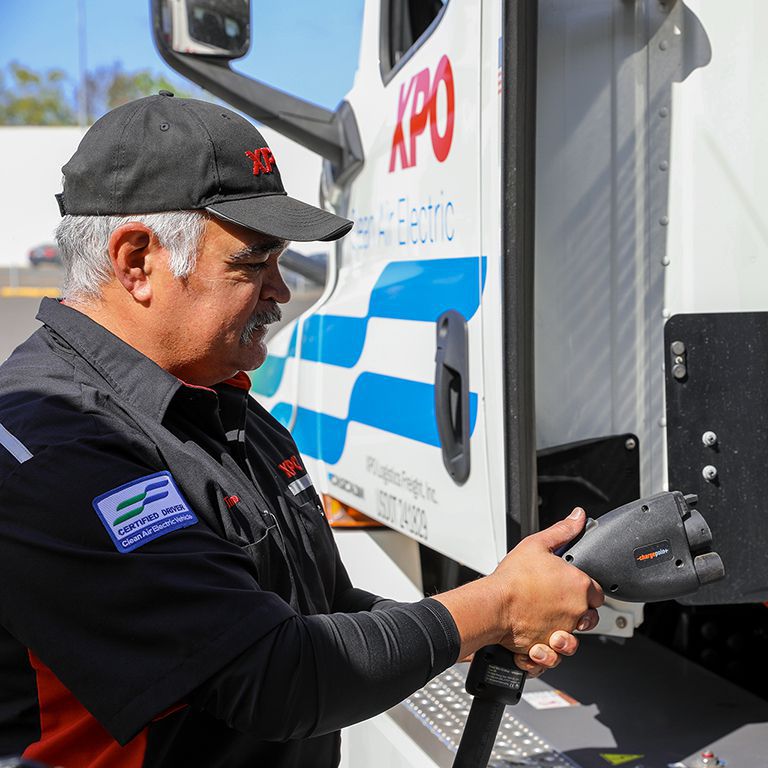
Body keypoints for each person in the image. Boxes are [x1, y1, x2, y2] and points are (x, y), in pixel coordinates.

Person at [0, 93, 603, 768]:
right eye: (252, 263)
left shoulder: (218, 405)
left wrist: (484, 625)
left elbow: (323, 609)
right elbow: (273, 677)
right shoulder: (55, 445)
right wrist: (494, 606)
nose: (282, 291)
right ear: (137, 261)